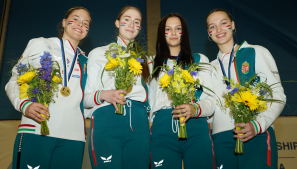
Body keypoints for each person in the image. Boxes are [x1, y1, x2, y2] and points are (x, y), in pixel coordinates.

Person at [5, 7, 91, 169]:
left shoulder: (86, 61)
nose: (80, 24)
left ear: (87, 31)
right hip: (37, 130)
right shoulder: (41, 43)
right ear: (64, 22)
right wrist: (24, 104)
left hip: (74, 137)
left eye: (85, 23)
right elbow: (15, 80)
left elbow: (85, 98)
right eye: (76, 19)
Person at [206, 8, 286, 169]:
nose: (218, 29)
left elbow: (277, 95)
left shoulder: (257, 52)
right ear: (208, 33)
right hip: (221, 139)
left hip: (255, 133)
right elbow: (210, 104)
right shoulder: (209, 67)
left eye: (223, 23)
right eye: (212, 26)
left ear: (233, 25)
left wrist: (257, 125)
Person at [83, 6, 151, 169]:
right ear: (117, 23)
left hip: (139, 122)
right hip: (106, 120)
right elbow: (84, 99)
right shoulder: (98, 53)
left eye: (137, 22)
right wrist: (103, 94)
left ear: (140, 28)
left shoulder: (146, 60)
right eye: (126, 19)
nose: (131, 25)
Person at [148, 13, 215, 169]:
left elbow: (212, 101)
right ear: (161, 33)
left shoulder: (199, 60)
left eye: (178, 29)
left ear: (184, 33)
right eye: (168, 29)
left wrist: (195, 108)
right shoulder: (151, 63)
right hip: (162, 129)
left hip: (196, 126)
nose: (173, 33)